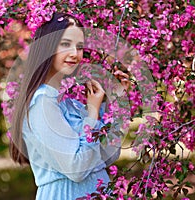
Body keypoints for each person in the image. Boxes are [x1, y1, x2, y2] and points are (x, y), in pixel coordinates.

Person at [9, 12, 124, 200]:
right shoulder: (41, 102)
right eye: (65, 44)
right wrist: (93, 112)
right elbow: (76, 169)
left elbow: (108, 156)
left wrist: (117, 99)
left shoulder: (68, 102)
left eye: (79, 47)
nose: (74, 53)